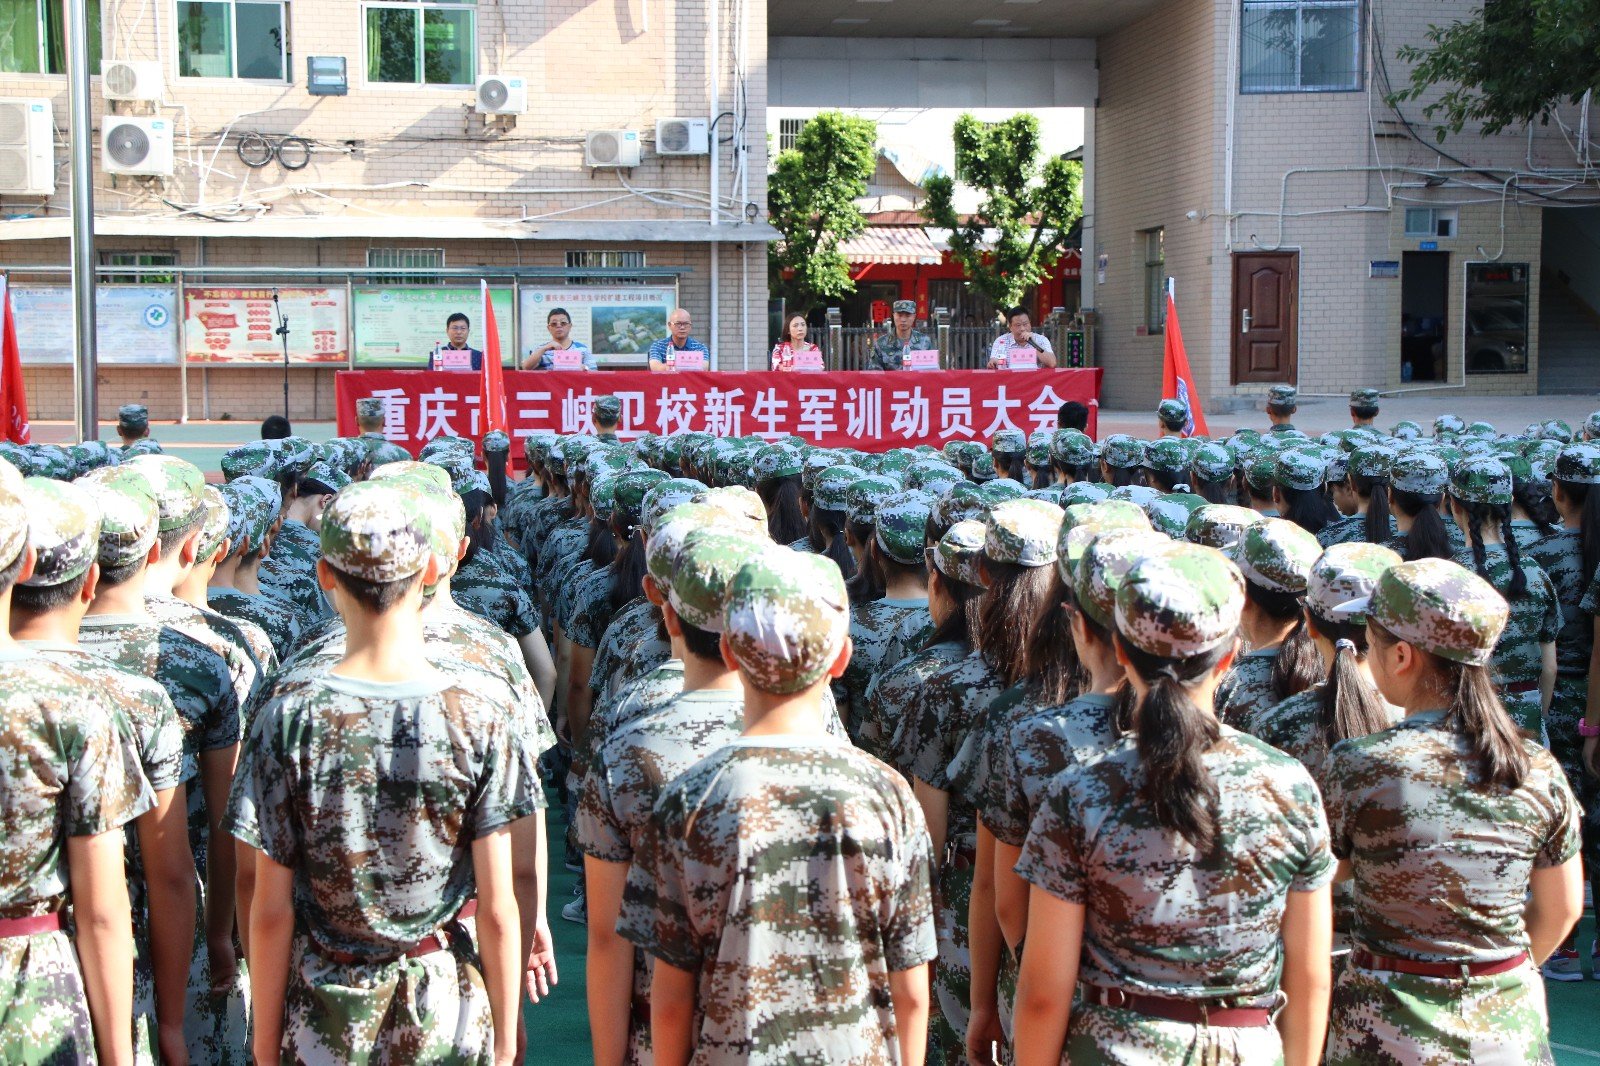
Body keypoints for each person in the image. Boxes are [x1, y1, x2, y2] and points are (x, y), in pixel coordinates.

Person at [225, 479, 539, 1064]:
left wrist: (264, 1044)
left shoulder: (287, 720)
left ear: (325, 575)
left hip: (323, 1007)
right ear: (427, 571)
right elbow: (498, 906)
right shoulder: (479, 716)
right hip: (443, 1003)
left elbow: (268, 908)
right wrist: (503, 1035)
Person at [1013, 542, 1335, 1066]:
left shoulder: (1080, 793)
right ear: (1230, 656)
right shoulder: (1290, 784)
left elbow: (1044, 993)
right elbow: (1310, 975)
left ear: (1120, 650)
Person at [618, 547, 937, 1062]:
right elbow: (912, 993)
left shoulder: (689, 800)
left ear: (727, 652)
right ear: (841, 658)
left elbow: (671, 996)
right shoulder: (889, 796)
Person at [1324, 558, 1582, 1064]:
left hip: (1386, 1029)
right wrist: (1498, 973)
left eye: (1371, 646)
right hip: (1507, 1026)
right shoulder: (1536, 768)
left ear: (1401, 656)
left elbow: (1325, 878)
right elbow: (1563, 909)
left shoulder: (1360, 765)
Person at [11, 476, 197, 1066]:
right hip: (36, 994)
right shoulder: (81, 703)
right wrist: (145, 1037)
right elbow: (106, 905)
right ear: (89, 579)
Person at [577, 522, 767, 1065]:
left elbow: (608, 935)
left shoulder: (626, 748)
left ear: (668, 616)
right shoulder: (811, 730)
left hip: (657, 1034)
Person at [868, 299, 934, 371]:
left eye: (908, 315)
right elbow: (874, 374)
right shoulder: (881, 343)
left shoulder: (924, 341)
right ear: (893, 316)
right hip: (891, 382)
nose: (903, 319)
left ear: (914, 317)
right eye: (899, 315)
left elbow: (932, 373)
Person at [524, 307, 598, 370]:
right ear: (549, 328)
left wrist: (584, 368)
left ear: (570, 326)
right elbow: (526, 367)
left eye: (563, 323)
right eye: (554, 324)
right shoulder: (541, 349)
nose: (558, 326)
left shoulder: (582, 349)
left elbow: (594, 372)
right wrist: (544, 348)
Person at [987, 307, 1057, 370]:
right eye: (1018, 325)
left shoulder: (1041, 340)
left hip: (1036, 381)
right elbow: (994, 359)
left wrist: (1034, 344)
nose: (1022, 329)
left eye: (1025, 324)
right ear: (1010, 327)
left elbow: (1052, 363)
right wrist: (994, 363)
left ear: (1030, 323)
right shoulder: (1001, 341)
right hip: (1010, 381)